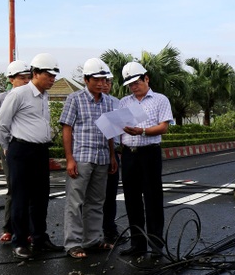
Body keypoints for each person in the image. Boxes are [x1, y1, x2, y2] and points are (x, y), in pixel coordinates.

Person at [0, 53, 65, 259]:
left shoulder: (44, 96)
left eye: (54, 75)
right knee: (20, 197)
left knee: (41, 196)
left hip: (40, 151)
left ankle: (39, 238)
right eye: (49, 75)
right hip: (21, 150)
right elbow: (0, 123)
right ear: (35, 73)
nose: (52, 79)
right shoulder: (19, 94)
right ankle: (20, 241)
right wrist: (8, 146)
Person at [59, 58, 116, 259]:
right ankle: (73, 244)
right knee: (75, 202)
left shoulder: (109, 101)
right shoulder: (74, 99)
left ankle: (92, 240)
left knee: (97, 201)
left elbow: (110, 131)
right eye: (96, 79)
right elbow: (67, 129)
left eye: (104, 79)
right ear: (86, 79)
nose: (101, 83)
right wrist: (70, 159)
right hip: (81, 157)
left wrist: (112, 155)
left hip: (102, 157)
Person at [117, 61, 173, 257]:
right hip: (129, 153)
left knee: (153, 198)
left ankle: (156, 244)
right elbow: (118, 126)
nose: (134, 87)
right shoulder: (124, 102)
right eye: (130, 84)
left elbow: (163, 127)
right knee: (132, 199)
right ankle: (137, 244)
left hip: (149, 152)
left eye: (137, 82)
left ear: (146, 78)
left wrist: (142, 131)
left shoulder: (160, 100)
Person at [0, 60, 32, 244]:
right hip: (10, 147)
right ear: (11, 79)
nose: (26, 81)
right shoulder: (1, 98)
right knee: (14, 188)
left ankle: (29, 230)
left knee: (31, 190)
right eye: (22, 78)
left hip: (29, 148)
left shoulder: (34, 97)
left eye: (28, 78)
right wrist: (4, 143)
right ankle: (8, 228)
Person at [100, 75, 123, 247]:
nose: (105, 85)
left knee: (110, 194)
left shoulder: (117, 103)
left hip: (112, 152)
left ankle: (110, 230)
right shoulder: (84, 101)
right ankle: (88, 234)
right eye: (102, 81)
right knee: (90, 197)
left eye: (108, 82)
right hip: (92, 153)